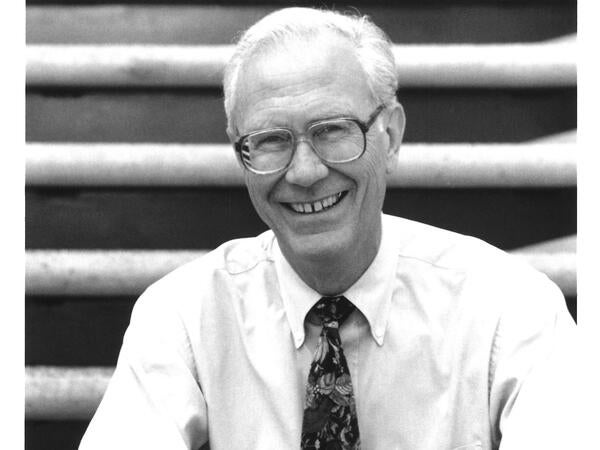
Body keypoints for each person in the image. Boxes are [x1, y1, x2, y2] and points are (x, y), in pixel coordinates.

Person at [79, 7, 577, 450]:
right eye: (271, 140)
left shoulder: (509, 309)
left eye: (334, 130)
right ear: (240, 156)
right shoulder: (183, 318)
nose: (305, 171)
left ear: (392, 135)